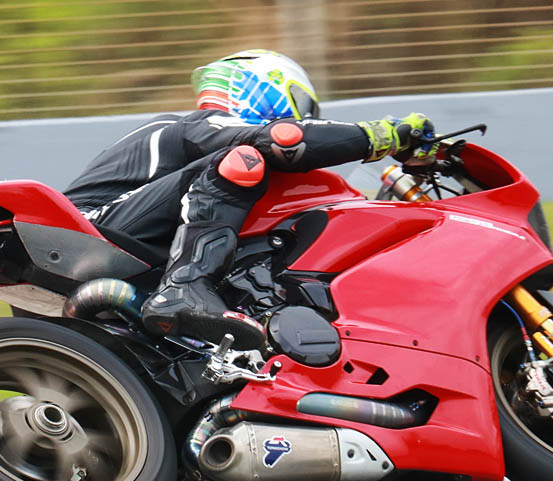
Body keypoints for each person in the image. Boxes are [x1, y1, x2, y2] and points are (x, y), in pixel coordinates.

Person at [64, 49, 438, 351]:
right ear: (269, 88)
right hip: (85, 228)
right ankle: (185, 288)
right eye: (302, 108)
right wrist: (384, 135)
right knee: (244, 160)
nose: (304, 118)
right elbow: (286, 140)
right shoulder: (194, 125)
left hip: (111, 254)